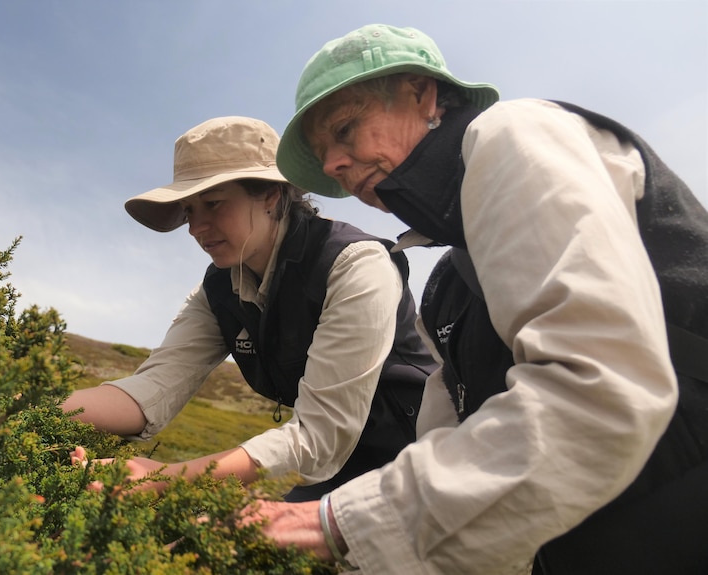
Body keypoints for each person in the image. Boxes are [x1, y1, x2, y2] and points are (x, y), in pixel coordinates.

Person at [250, 24, 708, 573]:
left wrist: (332, 523)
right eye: (324, 157)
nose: (332, 168)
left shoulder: (513, 133)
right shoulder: (446, 287)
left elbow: (601, 391)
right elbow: (451, 442)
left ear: (423, 95)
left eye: (346, 129)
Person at [62, 115, 436, 502]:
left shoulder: (356, 264)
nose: (196, 228)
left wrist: (165, 477)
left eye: (213, 203)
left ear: (272, 194)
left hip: (424, 461)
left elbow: (321, 435)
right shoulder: (217, 292)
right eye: (189, 210)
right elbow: (151, 392)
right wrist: (29, 408)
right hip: (341, 468)